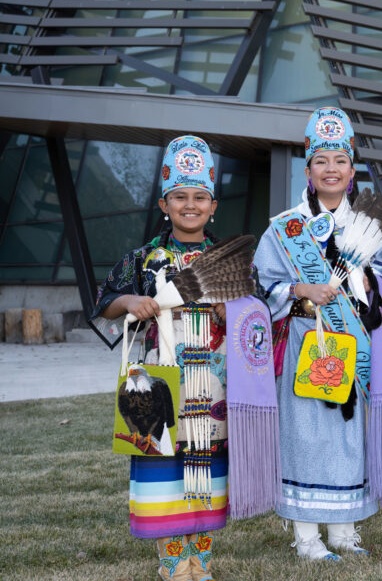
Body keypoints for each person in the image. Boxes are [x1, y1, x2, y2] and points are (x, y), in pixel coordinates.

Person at [253, 107, 382, 561]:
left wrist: (369, 283)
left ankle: (344, 532)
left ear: (352, 171)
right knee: (305, 435)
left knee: (350, 433)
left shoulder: (371, 227)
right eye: (321, 161)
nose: (330, 169)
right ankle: (307, 537)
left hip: (353, 341)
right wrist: (299, 288)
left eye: (340, 160)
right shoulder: (283, 227)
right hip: (303, 340)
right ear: (308, 170)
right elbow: (261, 286)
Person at [92, 135, 228, 581]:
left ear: (213, 205)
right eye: (180, 197)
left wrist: (232, 307)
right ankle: (173, 561)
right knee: (163, 461)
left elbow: (257, 313)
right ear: (163, 204)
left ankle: (200, 560)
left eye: (200, 197)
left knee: (207, 464)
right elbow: (104, 301)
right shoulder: (144, 258)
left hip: (214, 377)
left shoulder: (227, 259)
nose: (190, 205)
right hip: (162, 374)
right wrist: (132, 299)